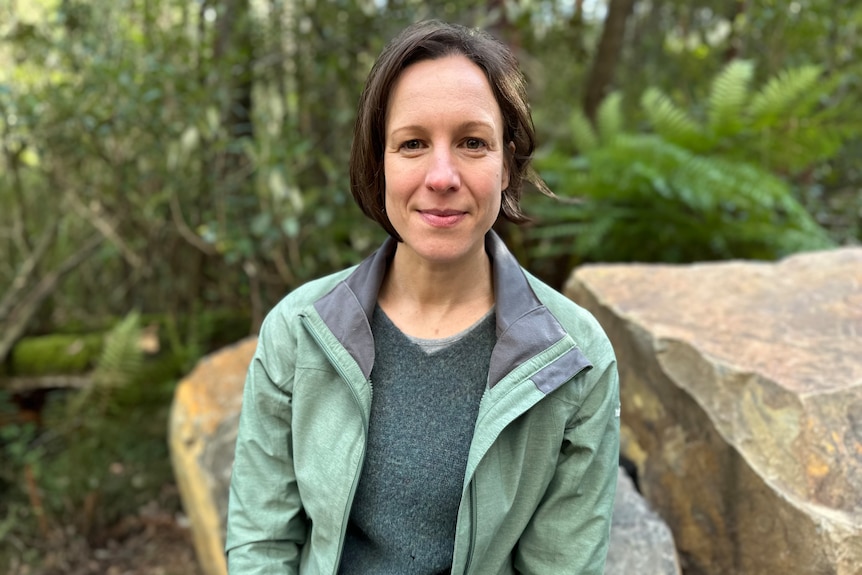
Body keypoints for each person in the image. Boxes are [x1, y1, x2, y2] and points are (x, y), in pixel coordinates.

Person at [225, 19, 620, 575]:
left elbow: (564, 565)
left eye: (472, 143)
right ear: (378, 162)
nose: (441, 175)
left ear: (506, 164)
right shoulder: (297, 331)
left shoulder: (576, 359)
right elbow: (261, 547)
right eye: (412, 143)